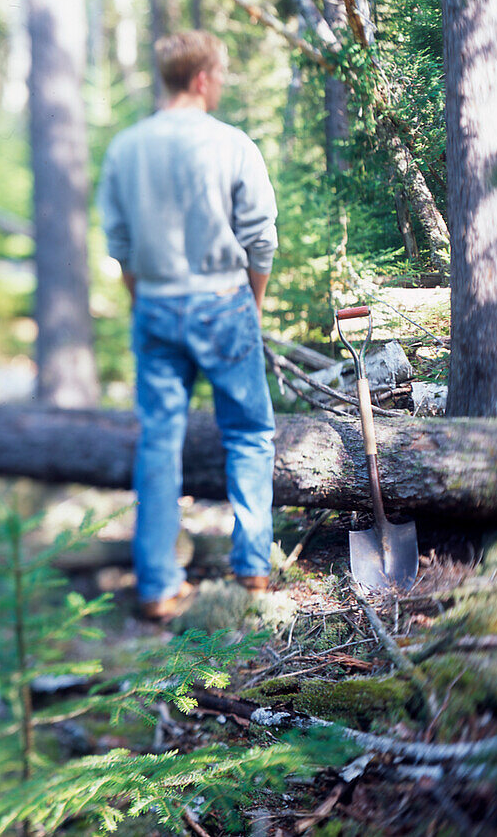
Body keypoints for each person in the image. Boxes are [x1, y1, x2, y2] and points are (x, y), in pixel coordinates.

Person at [97, 30, 278, 621]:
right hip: (222, 300)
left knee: (158, 442)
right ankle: (251, 569)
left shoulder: (126, 148)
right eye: (220, 75)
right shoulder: (232, 144)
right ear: (201, 79)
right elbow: (260, 239)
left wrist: (141, 298)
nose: (220, 84)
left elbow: (120, 244)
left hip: (156, 303)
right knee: (248, 433)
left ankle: (156, 585)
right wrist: (251, 305)